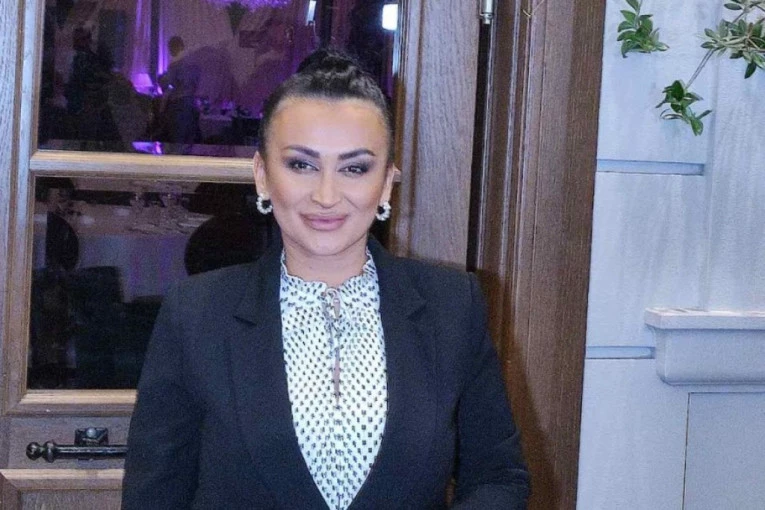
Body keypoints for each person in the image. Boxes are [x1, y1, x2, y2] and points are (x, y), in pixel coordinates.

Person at [122, 49, 530, 509]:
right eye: (302, 165)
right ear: (262, 175)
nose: (326, 195)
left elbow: (499, 477)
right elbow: (153, 497)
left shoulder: (452, 306)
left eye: (355, 168)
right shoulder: (196, 314)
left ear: (386, 183)